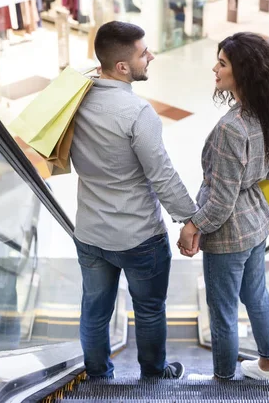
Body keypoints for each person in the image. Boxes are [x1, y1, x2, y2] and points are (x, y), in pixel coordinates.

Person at [70, 21, 199, 380]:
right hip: (139, 236)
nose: (151, 56)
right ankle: (154, 375)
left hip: (90, 233)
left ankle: (97, 376)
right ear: (123, 67)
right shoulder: (138, 114)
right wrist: (190, 219)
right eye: (144, 53)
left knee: (95, 311)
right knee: (149, 310)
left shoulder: (75, 100)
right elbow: (162, 175)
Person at [178, 32, 269, 380]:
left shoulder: (230, 128)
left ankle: (223, 380)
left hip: (229, 235)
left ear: (242, 72)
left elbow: (220, 201)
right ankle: (266, 367)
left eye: (222, 63)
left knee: (223, 310)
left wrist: (192, 225)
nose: (214, 68)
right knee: (257, 296)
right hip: (257, 222)